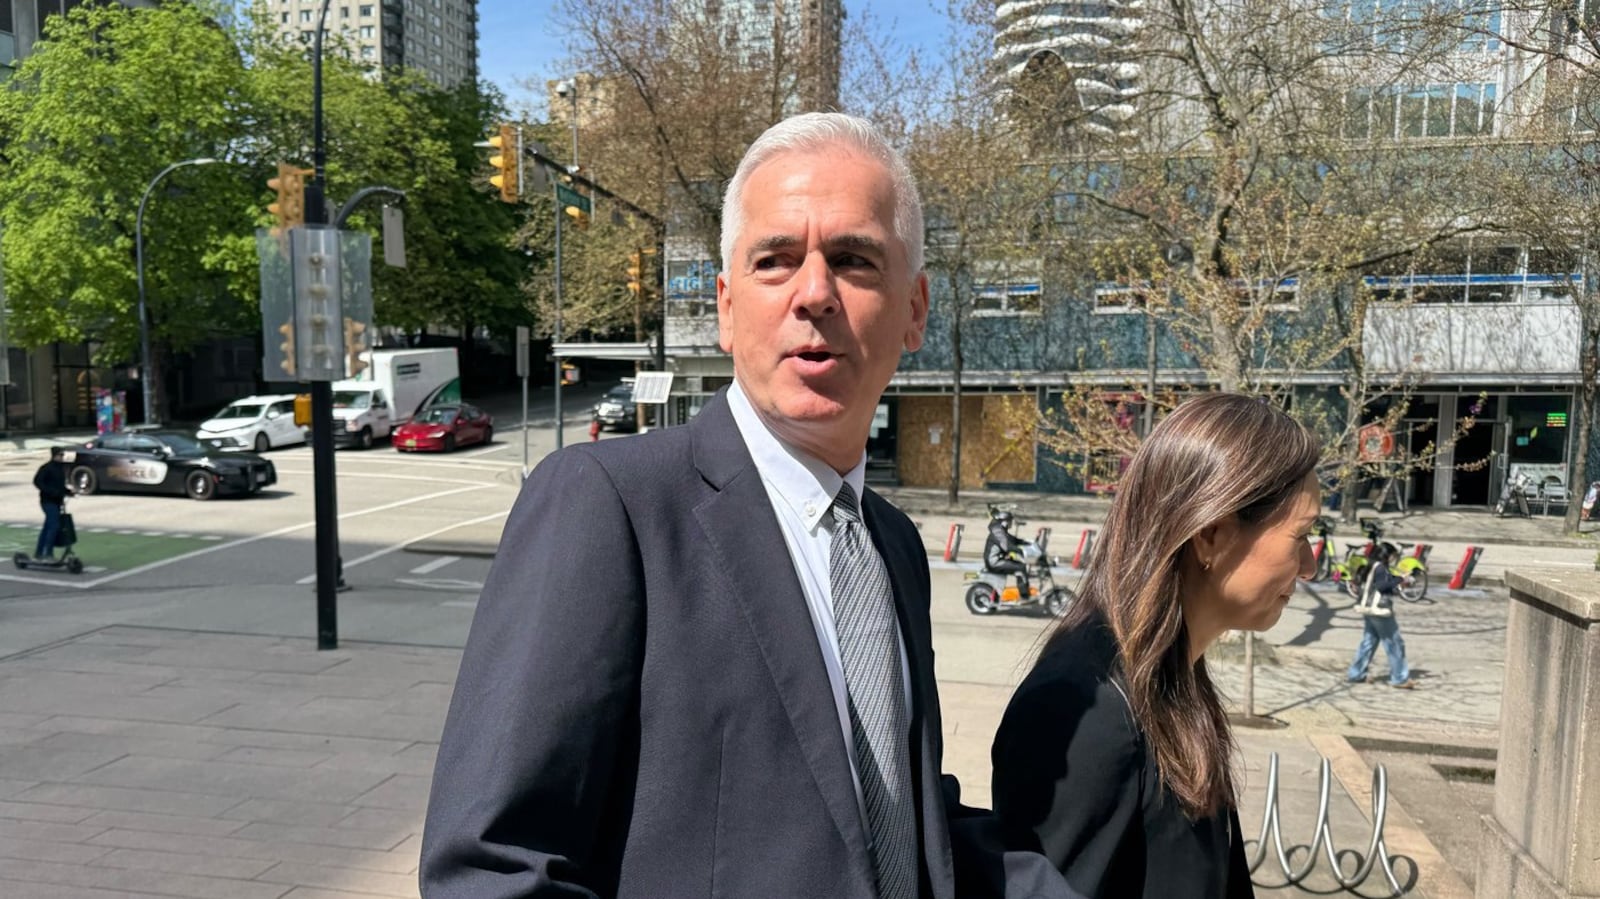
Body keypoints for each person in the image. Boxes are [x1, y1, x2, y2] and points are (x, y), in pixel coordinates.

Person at [421, 113, 1075, 899]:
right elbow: (491, 869)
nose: (814, 293)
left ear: (915, 311)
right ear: (727, 308)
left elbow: (891, 813)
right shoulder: (608, 507)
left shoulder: (893, 547)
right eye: (775, 260)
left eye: (855, 260)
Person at [989, 393, 1323, 899]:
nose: (1310, 566)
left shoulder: (1173, 677)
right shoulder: (1088, 711)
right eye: (1300, 536)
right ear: (1211, 535)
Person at [1346, 542, 1414, 689]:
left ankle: (1356, 673)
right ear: (1386, 555)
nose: (1392, 559)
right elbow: (1383, 587)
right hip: (1380, 611)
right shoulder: (1381, 568)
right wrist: (1402, 580)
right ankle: (1399, 678)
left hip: (1368, 609)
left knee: (1369, 642)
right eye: (1392, 556)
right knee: (1394, 643)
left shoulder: (1370, 565)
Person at [983, 508, 1031, 600]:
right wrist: (1022, 551)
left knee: (1020, 565)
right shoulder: (998, 533)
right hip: (994, 562)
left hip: (998, 559)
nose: (1011, 522)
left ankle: (1023, 593)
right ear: (1004, 521)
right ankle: (1024, 596)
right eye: (1010, 520)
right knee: (1020, 568)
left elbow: (1013, 540)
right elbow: (1008, 547)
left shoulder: (1000, 531)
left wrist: (1027, 543)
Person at [33, 447, 69, 560]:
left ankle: (39, 552)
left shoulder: (60, 468)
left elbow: (60, 485)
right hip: (48, 501)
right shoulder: (46, 468)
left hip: (57, 501)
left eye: (63, 455)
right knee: (54, 526)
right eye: (60, 455)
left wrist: (68, 491)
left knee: (47, 527)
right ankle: (48, 553)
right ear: (54, 455)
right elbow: (37, 482)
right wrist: (51, 491)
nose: (62, 457)